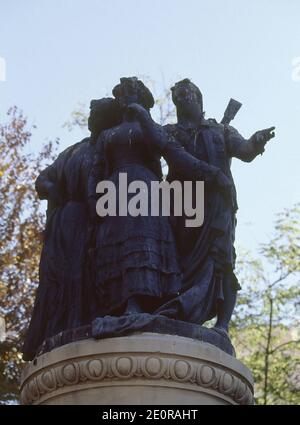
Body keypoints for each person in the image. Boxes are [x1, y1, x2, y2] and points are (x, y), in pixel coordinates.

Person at [128, 78, 275, 333]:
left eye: (188, 96)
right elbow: (152, 138)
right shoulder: (171, 131)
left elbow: (246, 151)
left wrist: (257, 140)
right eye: (179, 99)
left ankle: (223, 324)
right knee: (176, 258)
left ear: (199, 99)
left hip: (217, 203)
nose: (184, 101)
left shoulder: (221, 131)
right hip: (180, 203)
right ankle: (173, 309)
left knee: (221, 260)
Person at [22, 98, 122, 361]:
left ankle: (81, 321)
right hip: (63, 223)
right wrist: (55, 190)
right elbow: (43, 179)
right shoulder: (73, 151)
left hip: (93, 220)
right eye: (91, 112)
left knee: (83, 273)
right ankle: (55, 328)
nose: (92, 116)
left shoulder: (110, 147)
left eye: (97, 113)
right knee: (56, 278)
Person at [88, 77, 183, 316]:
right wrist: (93, 199)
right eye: (122, 95)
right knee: (118, 246)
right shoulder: (107, 135)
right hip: (114, 193)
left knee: (143, 242)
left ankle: (146, 301)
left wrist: (143, 116)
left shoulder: (149, 128)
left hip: (146, 188)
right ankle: (120, 302)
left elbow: (163, 151)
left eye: (130, 94)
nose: (125, 100)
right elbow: (98, 168)